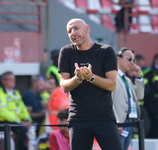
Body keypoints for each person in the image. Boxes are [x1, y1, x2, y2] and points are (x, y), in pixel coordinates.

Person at [58, 18, 122, 150]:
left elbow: (112, 85)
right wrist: (78, 78)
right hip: (78, 118)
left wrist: (91, 77)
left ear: (87, 29)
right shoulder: (66, 52)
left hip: (104, 117)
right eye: (69, 31)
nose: (73, 33)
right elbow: (64, 86)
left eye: (76, 28)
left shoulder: (106, 51)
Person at [112, 47, 144, 150]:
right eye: (129, 59)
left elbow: (140, 96)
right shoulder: (112, 77)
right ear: (118, 59)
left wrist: (138, 77)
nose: (132, 63)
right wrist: (115, 121)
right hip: (119, 123)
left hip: (129, 121)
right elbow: (109, 101)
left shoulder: (127, 79)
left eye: (134, 60)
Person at [0, 71, 32, 150]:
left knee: (33, 127)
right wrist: (20, 121)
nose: (13, 81)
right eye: (10, 79)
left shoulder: (16, 93)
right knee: (22, 129)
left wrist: (28, 120)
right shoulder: (0, 94)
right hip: (4, 121)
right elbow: (3, 113)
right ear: (3, 81)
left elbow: (23, 108)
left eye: (14, 79)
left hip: (17, 121)